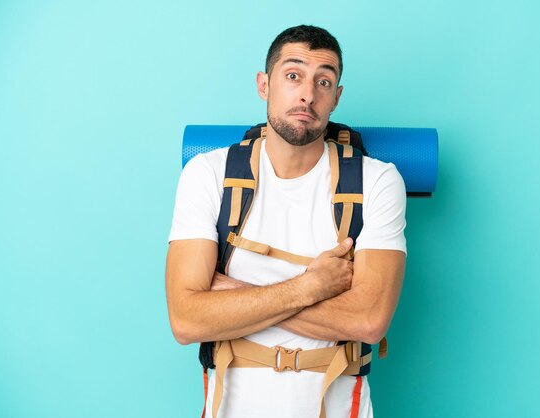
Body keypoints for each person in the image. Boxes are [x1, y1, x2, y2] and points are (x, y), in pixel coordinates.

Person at [166, 25, 407, 418]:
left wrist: (229, 294)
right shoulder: (207, 173)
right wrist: (312, 286)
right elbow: (186, 320)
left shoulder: (376, 180)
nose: (307, 94)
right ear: (264, 84)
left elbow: (367, 321)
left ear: (336, 97)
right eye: (293, 75)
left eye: (323, 81)